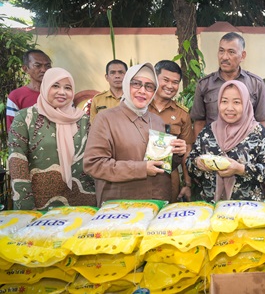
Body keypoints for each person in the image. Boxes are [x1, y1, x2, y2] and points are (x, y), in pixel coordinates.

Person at [83, 63, 187, 206]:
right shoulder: (106, 119)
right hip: (121, 207)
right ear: (126, 84)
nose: (142, 91)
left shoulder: (156, 120)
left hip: (158, 202)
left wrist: (176, 154)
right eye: (136, 84)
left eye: (149, 86)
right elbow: (94, 165)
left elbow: (161, 164)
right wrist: (141, 169)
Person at [8, 67, 96, 210]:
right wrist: (25, 206)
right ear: (45, 86)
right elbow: (18, 161)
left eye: (67, 88)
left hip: (83, 201)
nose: (62, 92)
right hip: (41, 203)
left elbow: (95, 158)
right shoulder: (25, 118)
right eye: (55, 86)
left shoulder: (83, 120)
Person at [187, 80, 265, 203]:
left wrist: (241, 169)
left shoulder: (258, 133)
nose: (229, 108)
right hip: (211, 207)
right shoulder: (208, 132)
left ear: (246, 104)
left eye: (237, 102)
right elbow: (190, 164)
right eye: (224, 101)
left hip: (245, 209)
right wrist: (197, 163)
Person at [190, 32, 265, 137]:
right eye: (221, 51)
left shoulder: (256, 84)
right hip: (213, 147)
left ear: (242, 56)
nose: (224, 57)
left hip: (245, 148)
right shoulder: (205, 84)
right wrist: (201, 149)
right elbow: (199, 122)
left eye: (231, 52)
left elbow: (261, 121)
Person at [148, 60, 195, 202]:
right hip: (138, 175)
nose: (170, 86)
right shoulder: (140, 106)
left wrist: (187, 183)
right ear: (155, 79)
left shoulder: (182, 114)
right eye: (166, 80)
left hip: (168, 177)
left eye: (175, 82)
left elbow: (187, 149)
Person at [6, 49, 52, 132]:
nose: (44, 70)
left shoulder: (60, 94)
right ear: (25, 69)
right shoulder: (15, 96)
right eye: (38, 65)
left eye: (48, 66)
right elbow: (13, 132)